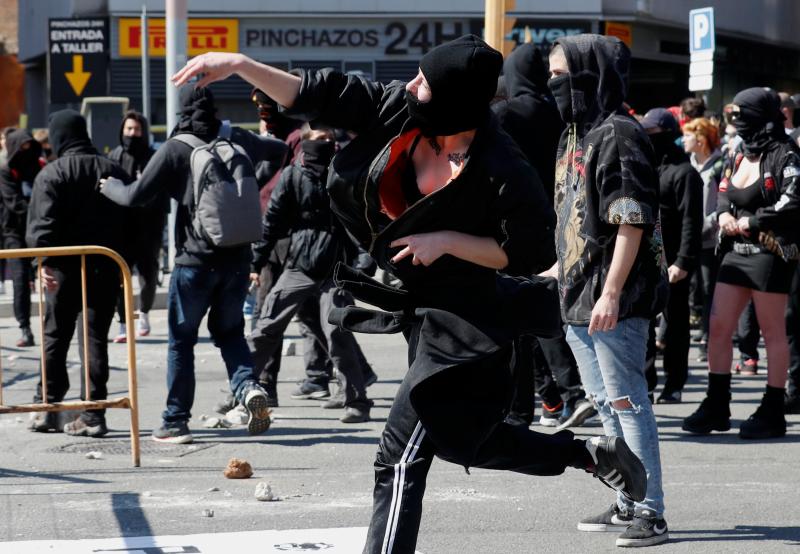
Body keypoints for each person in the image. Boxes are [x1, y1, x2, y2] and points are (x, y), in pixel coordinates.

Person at [172, 34, 649, 554]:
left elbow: (528, 253)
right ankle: (588, 455)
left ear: (455, 98)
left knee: (398, 458)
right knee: (468, 442)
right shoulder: (397, 111)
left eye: (425, 80)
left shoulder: (499, 163)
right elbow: (318, 92)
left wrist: (447, 240)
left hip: (469, 322)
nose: (411, 83)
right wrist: (241, 64)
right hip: (420, 310)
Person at [100, 85, 288, 444]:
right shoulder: (234, 139)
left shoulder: (175, 148)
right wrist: (248, 187)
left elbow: (134, 196)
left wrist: (108, 186)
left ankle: (175, 421)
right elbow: (279, 150)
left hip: (194, 263)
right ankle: (248, 389)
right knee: (230, 333)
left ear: (181, 111)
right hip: (237, 259)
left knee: (181, 341)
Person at [542, 35, 670, 546]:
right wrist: (558, 267)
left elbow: (630, 218)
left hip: (610, 297)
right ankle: (625, 498)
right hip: (577, 295)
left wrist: (612, 290)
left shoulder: (620, 133)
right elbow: (573, 216)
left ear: (590, 73)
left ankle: (649, 510)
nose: (551, 83)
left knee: (627, 401)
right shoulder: (574, 135)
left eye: (560, 74)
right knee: (601, 400)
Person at [683, 87, 800, 440]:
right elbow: (722, 190)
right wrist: (721, 216)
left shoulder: (786, 154)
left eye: (742, 115)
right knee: (719, 326)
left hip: (770, 252)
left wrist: (754, 221)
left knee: (772, 332)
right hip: (734, 252)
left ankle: (773, 408)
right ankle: (717, 402)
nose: (736, 122)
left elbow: (794, 199)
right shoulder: (736, 153)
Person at [491, 42, 593, 429]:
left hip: (514, 226)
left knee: (515, 319)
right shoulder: (563, 114)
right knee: (544, 312)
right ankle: (566, 394)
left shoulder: (505, 113)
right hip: (560, 221)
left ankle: (522, 409)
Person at [247, 124, 373, 423]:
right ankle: (241, 389)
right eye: (319, 140)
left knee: (337, 332)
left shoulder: (343, 173)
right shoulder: (293, 175)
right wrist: (256, 262)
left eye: (330, 139)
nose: (327, 143)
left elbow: (358, 221)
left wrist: (365, 256)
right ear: (304, 144)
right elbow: (273, 221)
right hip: (300, 262)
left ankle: (357, 400)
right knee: (267, 326)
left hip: (336, 266)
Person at [26, 110, 131, 437]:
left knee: (55, 336)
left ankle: (48, 406)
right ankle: (93, 412)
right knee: (94, 337)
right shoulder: (112, 169)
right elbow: (129, 221)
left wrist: (39, 262)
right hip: (103, 265)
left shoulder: (52, 173)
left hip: (61, 268)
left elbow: (42, 225)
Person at [640, 108, 703, 404]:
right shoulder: (647, 167)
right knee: (644, 328)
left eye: (651, 132)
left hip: (674, 263)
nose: (647, 137)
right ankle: (647, 383)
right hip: (646, 261)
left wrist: (683, 262)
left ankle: (674, 384)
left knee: (676, 326)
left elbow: (692, 221)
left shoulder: (685, 173)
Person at [107, 110, 166, 342]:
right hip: (121, 229)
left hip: (148, 228)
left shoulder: (153, 157)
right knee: (120, 276)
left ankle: (144, 312)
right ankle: (123, 322)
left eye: (137, 130)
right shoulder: (114, 156)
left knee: (148, 276)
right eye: (129, 129)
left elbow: (159, 192)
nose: (132, 134)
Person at [682, 117, 724, 363]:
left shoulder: (719, 165)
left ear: (700, 139)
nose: (683, 140)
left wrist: (704, 226)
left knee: (709, 290)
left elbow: (722, 204)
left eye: (688, 135)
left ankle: (707, 338)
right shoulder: (687, 163)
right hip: (688, 238)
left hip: (709, 240)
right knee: (684, 289)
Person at [0, 129, 41, 347]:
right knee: (20, 280)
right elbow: (14, 203)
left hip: (38, 231)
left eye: (29, 147)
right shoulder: (6, 171)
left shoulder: (38, 167)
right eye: (21, 148)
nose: (26, 152)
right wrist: (39, 212)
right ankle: (25, 327)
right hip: (14, 233)